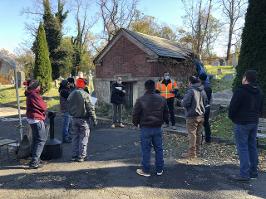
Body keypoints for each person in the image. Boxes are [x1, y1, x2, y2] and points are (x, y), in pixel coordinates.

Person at [229, 70, 263, 182]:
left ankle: (244, 174)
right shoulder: (259, 92)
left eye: (243, 77)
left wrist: (233, 118)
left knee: (242, 148)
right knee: (252, 146)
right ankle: (253, 172)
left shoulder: (240, 91)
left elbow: (233, 107)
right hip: (254, 122)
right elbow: (261, 108)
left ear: (245, 78)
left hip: (242, 123)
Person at [133, 80, 169, 177]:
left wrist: (135, 124)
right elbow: (166, 113)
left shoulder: (140, 100)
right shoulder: (162, 99)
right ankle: (159, 169)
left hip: (145, 128)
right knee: (159, 149)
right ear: (155, 87)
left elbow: (135, 114)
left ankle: (145, 170)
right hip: (157, 127)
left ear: (145, 88)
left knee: (146, 149)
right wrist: (166, 121)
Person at [67, 78, 97, 162]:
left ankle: (74, 155)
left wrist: (71, 114)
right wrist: (94, 119)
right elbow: (90, 108)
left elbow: (68, 105)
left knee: (75, 137)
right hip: (83, 119)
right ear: (83, 85)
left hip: (74, 119)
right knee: (83, 137)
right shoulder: (85, 95)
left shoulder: (71, 94)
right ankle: (82, 156)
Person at [181, 76, 208, 158]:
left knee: (192, 135)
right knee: (198, 134)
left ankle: (192, 153)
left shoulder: (191, 91)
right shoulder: (202, 90)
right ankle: (198, 151)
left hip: (192, 116)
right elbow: (206, 101)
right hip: (201, 115)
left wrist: (182, 101)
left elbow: (185, 103)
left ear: (190, 82)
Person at [25, 80, 47, 169]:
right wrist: (45, 103)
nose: (40, 87)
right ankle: (34, 162)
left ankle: (35, 159)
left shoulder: (30, 93)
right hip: (36, 119)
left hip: (32, 119)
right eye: (39, 86)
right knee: (41, 140)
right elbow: (43, 106)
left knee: (36, 140)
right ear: (36, 87)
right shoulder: (34, 95)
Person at [199, 73, 212, 143]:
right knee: (206, 123)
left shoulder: (201, 87)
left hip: (202, 107)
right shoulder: (208, 86)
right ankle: (208, 138)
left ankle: (200, 139)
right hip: (208, 106)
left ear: (200, 79)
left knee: (200, 123)